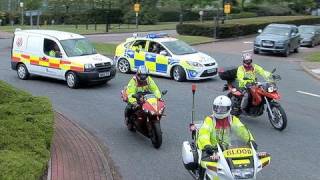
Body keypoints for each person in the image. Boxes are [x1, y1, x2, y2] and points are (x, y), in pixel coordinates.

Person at [197, 95, 256, 178]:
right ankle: (200, 177)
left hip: (227, 147)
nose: (219, 111)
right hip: (211, 148)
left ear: (229, 109)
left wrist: (251, 141)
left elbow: (242, 131)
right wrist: (207, 145)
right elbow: (204, 134)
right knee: (203, 162)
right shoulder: (209, 120)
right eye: (217, 108)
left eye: (222, 109)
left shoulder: (233, 119)